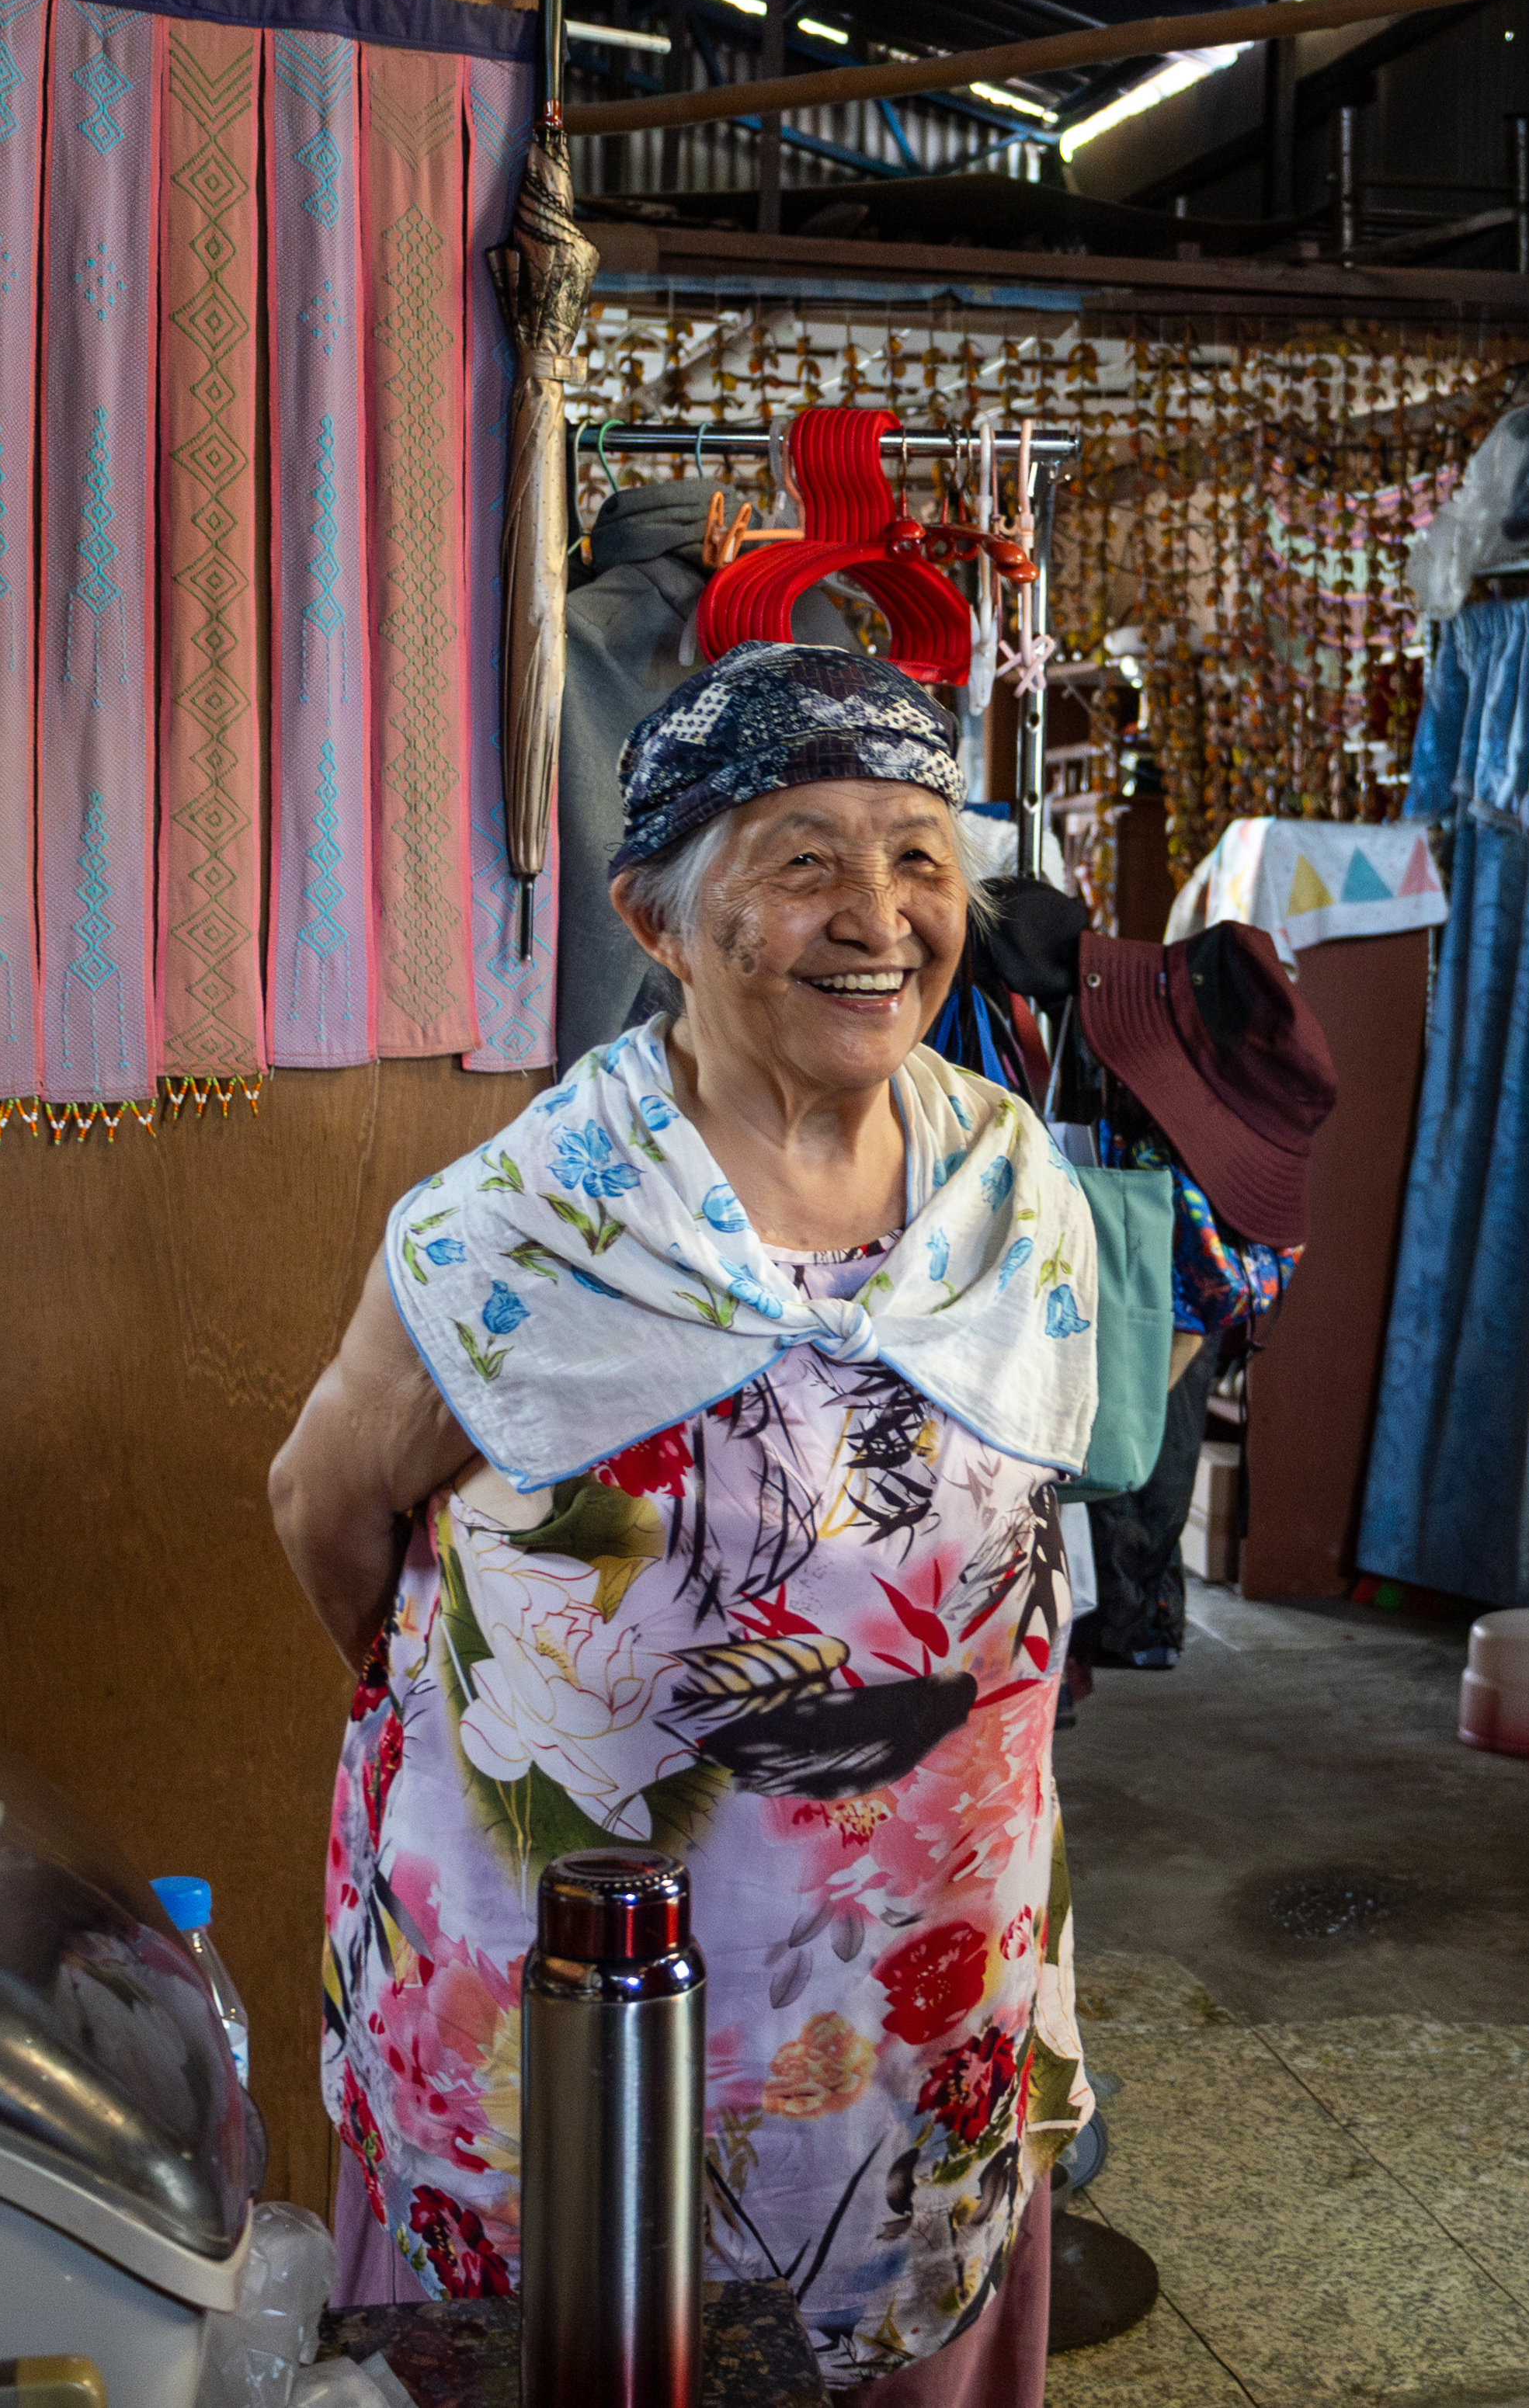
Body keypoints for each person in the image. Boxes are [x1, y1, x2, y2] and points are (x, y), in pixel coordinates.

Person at [270, 643, 1103, 2403]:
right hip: (571, 2006)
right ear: (658, 918)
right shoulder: (523, 1227)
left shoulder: (1014, 1188)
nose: (878, 914)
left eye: (920, 855)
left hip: (918, 1993)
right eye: (802, 858)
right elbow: (328, 1515)